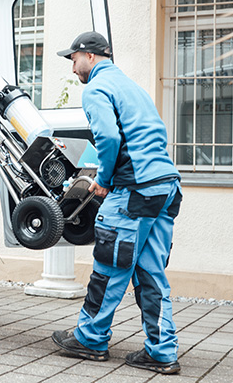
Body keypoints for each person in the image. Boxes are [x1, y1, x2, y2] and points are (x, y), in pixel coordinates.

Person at [52, 31, 183, 374]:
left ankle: (90, 338)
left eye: (74, 60)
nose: (73, 69)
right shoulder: (132, 87)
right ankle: (162, 351)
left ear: (90, 56)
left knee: (110, 265)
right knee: (151, 271)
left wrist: (105, 180)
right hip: (165, 186)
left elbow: (109, 137)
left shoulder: (97, 88)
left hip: (134, 190)